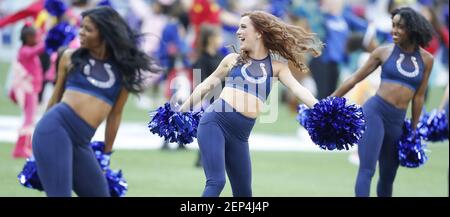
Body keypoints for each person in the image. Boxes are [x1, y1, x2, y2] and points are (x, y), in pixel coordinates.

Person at [179, 10, 322, 197]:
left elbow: (298, 89)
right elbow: (205, 86)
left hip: (240, 136)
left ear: (259, 32)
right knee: (216, 182)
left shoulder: (277, 66)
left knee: (244, 194)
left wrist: (322, 109)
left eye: (243, 27)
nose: (238, 32)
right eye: (238, 27)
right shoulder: (232, 60)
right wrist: (180, 112)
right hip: (215, 123)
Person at [32, 6, 156, 197]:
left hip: (81, 142)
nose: (80, 32)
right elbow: (55, 99)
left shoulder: (124, 70)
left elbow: (115, 115)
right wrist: (42, 141)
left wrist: (106, 154)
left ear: (104, 34)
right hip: (54, 129)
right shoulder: (70, 57)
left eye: (88, 29)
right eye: (81, 27)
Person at [331, 7, 434, 197]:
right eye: (393, 25)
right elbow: (354, 79)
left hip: (397, 121)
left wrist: (413, 128)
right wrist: (330, 100)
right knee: (367, 170)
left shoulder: (427, 60)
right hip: (375, 112)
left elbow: (419, 97)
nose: (394, 30)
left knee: (387, 178)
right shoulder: (383, 52)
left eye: (400, 27)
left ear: (412, 29)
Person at [192, 24, 225, 167]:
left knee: (221, 133)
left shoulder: (221, 57)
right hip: (209, 101)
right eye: (218, 36)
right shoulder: (201, 60)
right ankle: (202, 158)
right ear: (211, 39)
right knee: (209, 132)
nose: (221, 39)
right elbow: (200, 82)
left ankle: (219, 159)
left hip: (224, 99)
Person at [10, 24, 45, 158]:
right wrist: (48, 41)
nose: (36, 39)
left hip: (32, 89)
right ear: (28, 37)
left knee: (30, 119)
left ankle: (27, 145)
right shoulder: (25, 51)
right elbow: (38, 49)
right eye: (34, 36)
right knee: (28, 119)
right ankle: (20, 148)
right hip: (27, 89)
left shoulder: (26, 50)